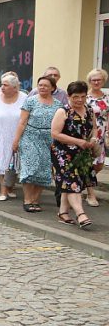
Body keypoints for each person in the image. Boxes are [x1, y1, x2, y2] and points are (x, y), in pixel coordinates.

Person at [12, 75, 62, 212]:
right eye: (40, 85)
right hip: (30, 136)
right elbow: (22, 122)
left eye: (46, 85)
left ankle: (35, 200)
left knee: (43, 170)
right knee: (30, 167)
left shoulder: (58, 104)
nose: (42, 88)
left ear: (52, 88)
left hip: (48, 139)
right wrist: (16, 140)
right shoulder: (31, 101)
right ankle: (27, 200)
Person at [51, 81, 97, 228]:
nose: (79, 100)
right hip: (63, 153)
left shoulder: (89, 110)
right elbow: (55, 133)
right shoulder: (63, 111)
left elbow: (94, 128)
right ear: (69, 96)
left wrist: (94, 138)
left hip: (82, 153)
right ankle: (81, 214)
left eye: (83, 96)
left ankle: (63, 213)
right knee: (73, 183)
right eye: (75, 97)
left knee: (70, 183)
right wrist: (77, 141)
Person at [0, 73, 26, 200]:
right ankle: (3, 191)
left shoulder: (24, 98)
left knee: (13, 163)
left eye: (6, 85)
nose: (2, 87)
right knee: (2, 162)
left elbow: (26, 118)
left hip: (18, 136)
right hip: (0, 136)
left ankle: (10, 187)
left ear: (14, 88)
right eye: (2, 84)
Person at [85, 69, 107, 207]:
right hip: (89, 134)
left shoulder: (107, 97)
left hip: (103, 134)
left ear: (104, 80)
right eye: (94, 80)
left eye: (99, 79)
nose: (97, 82)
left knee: (99, 164)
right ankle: (90, 193)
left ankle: (85, 181)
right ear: (90, 81)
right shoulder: (85, 98)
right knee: (88, 164)